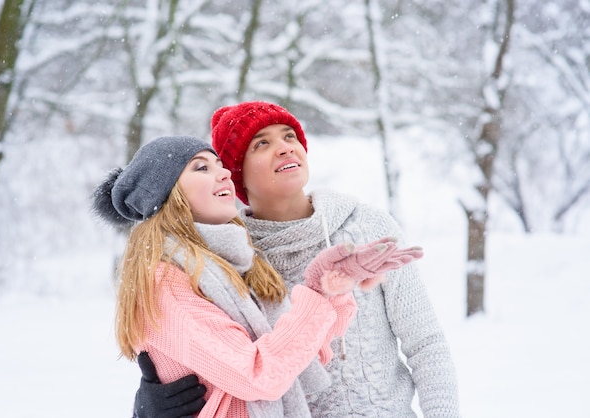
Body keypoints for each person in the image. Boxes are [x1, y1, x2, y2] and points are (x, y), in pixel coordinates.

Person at [134, 103, 460, 417]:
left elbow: (425, 343)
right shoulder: (227, 259)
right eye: (262, 143)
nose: (285, 147)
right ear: (236, 175)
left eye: (290, 136)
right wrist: (149, 402)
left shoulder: (367, 226)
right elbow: (218, 359)